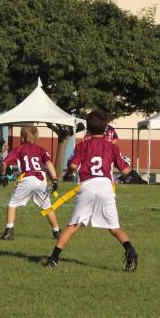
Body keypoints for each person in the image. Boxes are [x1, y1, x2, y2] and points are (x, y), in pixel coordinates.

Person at [46, 110, 137, 271]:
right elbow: (125, 170)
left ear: (88, 128)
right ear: (106, 128)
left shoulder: (83, 145)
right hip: (105, 186)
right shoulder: (111, 147)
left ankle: (53, 258)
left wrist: (67, 175)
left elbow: (73, 166)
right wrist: (137, 178)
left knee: (74, 225)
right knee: (114, 228)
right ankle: (130, 250)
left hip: (87, 185)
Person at [0, 125, 61, 241]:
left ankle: (9, 231)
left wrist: (2, 175)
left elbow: (4, 163)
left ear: (22, 138)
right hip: (41, 179)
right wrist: (55, 179)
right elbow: (48, 164)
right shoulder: (41, 149)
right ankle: (57, 231)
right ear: (37, 137)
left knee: (12, 204)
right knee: (47, 207)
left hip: (27, 178)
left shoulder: (19, 149)